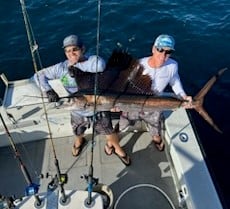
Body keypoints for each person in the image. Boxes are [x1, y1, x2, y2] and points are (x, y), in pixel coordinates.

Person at [33, 34, 131, 166]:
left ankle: (117, 148)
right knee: (78, 131)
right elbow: (38, 75)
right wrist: (48, 90)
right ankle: (79, 141)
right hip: (76, 110)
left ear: (82, 49)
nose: (71, 54)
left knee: (108, 131)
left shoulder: (92, 61)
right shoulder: (61, 68)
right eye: (68, 51)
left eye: (75, 49)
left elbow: (101, 65)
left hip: (99, 108)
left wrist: (77, 68)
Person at [119, 34, 193, 152]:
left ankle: (155, 136)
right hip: (134, 104)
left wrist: (183, 96)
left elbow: (175, 82)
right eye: (160, 50)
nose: (163, 55)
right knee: (124, 123)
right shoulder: (138, 65)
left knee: (155, 124)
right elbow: (124, 86)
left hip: (155, 105)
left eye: (167, 52)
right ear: (153, 49)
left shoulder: (172, 65)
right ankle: (118, 135)